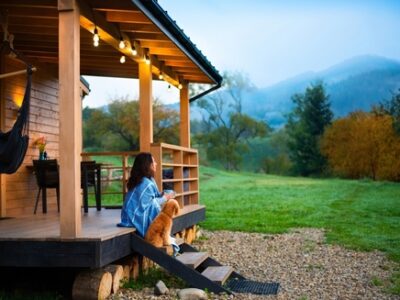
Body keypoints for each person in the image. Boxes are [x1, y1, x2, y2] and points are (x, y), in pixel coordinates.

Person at [118, 152, 175, 238]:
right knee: (159, 209)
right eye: (153, 161)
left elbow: (148, 199)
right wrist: (165, 197)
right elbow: (149, 204)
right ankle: (160, 234)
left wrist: (162, 195)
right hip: (133, 217)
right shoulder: (145, 183)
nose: (156, 164)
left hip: (127, 217)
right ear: (148, 165)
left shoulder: (143, 179)